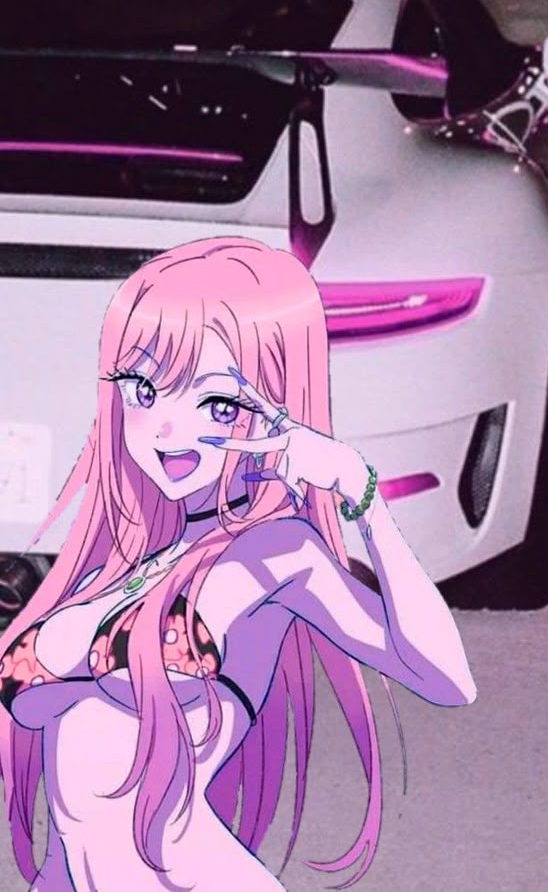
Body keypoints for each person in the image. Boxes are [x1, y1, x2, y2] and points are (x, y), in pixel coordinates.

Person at [0, 236, 476, 891]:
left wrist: (359, 491)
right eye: (144, 388)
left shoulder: (278, 554)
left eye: (218, 403)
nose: (168, 429)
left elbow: (448, 678)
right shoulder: (117, 560)